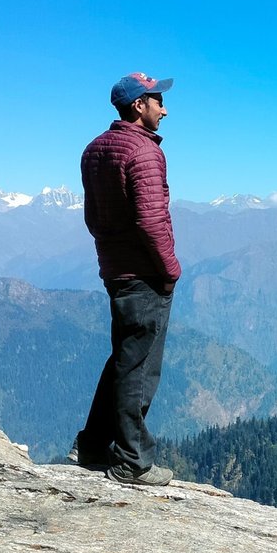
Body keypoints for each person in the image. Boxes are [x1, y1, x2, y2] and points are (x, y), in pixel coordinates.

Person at [72, 72, 182, 485]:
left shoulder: (94, 150)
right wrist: (169, 270)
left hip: (115, 270)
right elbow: (152, 221)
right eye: (157, 101)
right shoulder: (144, 154)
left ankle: (93, 444)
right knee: (140, 367)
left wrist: (111, 255)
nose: (164, 109)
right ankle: (132, 461)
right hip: (145, 274)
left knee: (123, 358)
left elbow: (92, 217)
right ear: (139, 105)